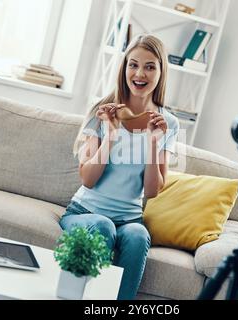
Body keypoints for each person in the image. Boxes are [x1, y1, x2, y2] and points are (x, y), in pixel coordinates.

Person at [60, 34, 180, 300]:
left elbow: (152, 191)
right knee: (103, 226)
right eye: (133, 64)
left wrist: (152, 143)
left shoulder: (168, 123)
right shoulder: (102, 112)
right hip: (85, 212)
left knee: (138, 235)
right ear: (124, 67)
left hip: (130, 220)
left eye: (150, 66)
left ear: (161, 72)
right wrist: (111, 135)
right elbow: (88, 179)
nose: (140, 73)